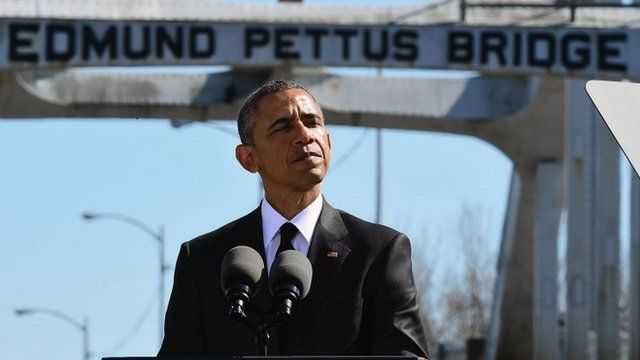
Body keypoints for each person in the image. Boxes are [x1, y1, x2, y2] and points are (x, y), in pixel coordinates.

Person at [158, 79, 429, 358]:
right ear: (248, 158)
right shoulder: (203, 259)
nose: (304, 135)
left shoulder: (380, 251)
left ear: (328, 142)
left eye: (312, 123)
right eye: (283, 126)